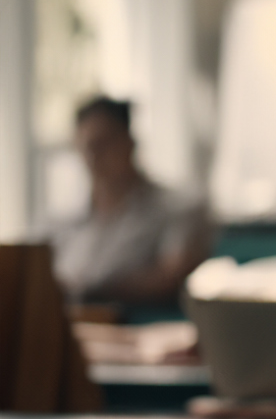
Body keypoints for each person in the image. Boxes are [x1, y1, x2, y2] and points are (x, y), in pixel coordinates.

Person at [42, 96, 212, 306]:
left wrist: (90, 292)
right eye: (87, 146)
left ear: (129, 142)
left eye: (104, 144)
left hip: (137, 327)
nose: (94, 156)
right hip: (64, 326)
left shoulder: (180, 207)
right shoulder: (61, 218)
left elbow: (171, 276)